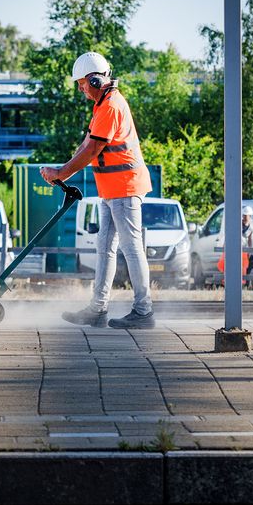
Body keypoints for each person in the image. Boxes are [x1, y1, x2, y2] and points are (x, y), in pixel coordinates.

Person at [41, 51, 155, 329]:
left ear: (94, 80)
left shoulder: (111, 106)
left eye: (82, 84)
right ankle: (98, 309)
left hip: (125, 188)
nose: (81, 89)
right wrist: (61, 169)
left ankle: (143, 311)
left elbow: (93, 150)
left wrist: (61, 173)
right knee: (105, 248)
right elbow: (85, 144)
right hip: (112, 189)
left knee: (131, 249)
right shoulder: (102, 106)